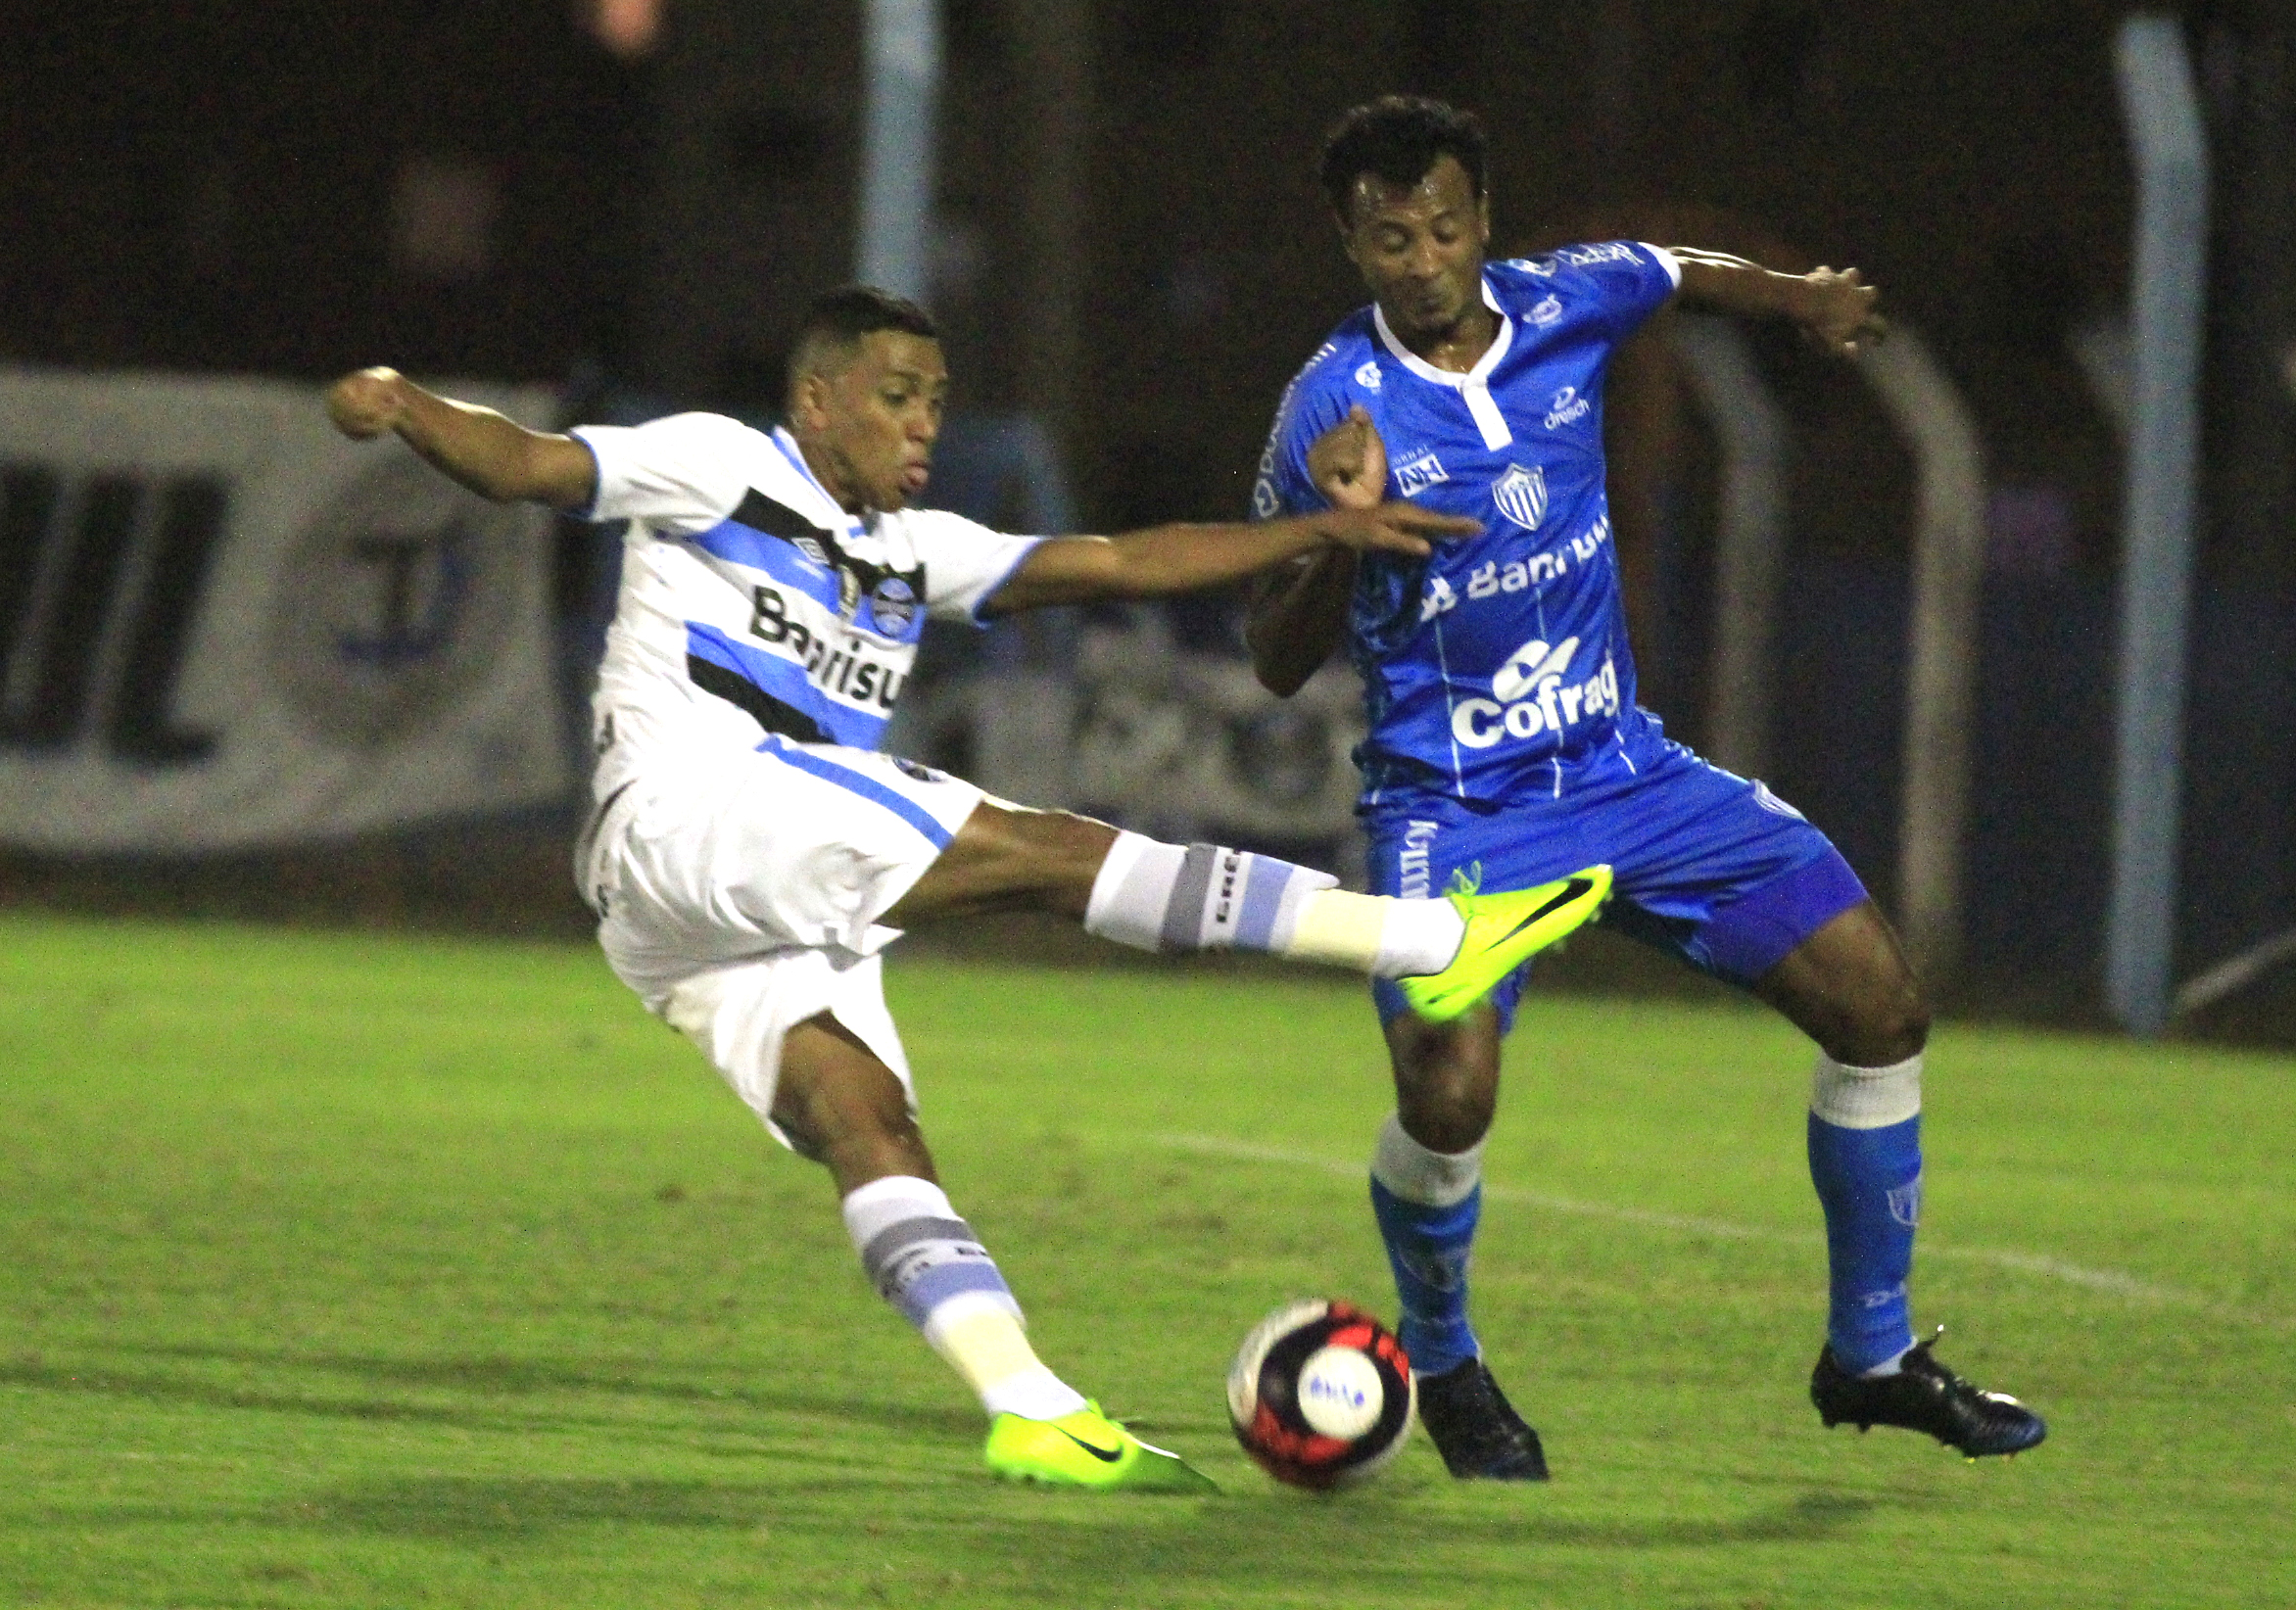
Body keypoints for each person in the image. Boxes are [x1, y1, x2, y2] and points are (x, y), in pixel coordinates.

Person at [323, 285, 1611, 1492]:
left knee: (868, 1123)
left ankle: (1029, 1407)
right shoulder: (726, 465)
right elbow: (535, 466)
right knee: (1034, 853)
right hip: (692, 802)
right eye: (895, 394)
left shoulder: (915, 551)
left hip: (709, 911)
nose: (924, 421)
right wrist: (404, 402)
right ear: (817, 400)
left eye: (936, 398)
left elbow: (1111, 563)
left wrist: (1316, 532)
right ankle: (1417, 937)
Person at [1245, 96, 2045, 1479]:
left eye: (1443, 227)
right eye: (1389, 240)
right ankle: (1444, 1367)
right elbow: (1271, 658)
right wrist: (1335, 539)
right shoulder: (1330, 405)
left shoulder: (1567, 297)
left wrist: (1800, 298)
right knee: (1448, 1095)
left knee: (1880, 1002)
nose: (1423, 260)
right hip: (1458, 811)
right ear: (1350, 243)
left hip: (1628, 773)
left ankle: (1870, 1356)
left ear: (1483, 223)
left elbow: (1673, 267)